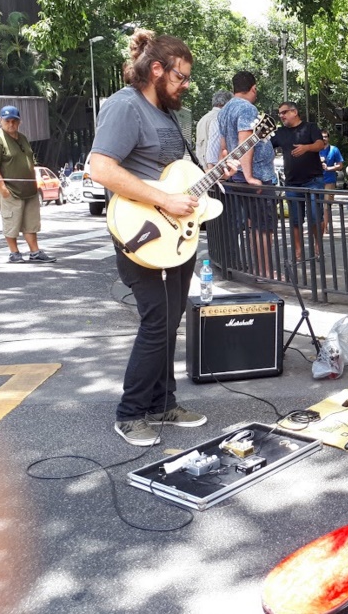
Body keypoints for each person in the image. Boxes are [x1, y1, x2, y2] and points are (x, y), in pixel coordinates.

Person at [89, 30, 209, 446]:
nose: (186, 85)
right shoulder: (125, 106)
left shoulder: (166, 113)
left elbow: (176, 176)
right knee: (157, 322)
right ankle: (130, 413)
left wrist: (207, 178)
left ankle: (163, 403)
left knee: (170, 319)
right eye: (181, 76)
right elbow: (100, 169)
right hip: (142, 234)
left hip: (175, 237)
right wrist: (165, 200)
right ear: (155, 69)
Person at [217, 71, 278, 273]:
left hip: (236, 176)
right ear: (253, 88)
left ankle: (258, 269)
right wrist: (250, 176)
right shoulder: (247, 108)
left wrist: (227, 171)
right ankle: (265, 271)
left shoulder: (224, 110)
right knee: (264, 228)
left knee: (255, 226)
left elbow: (224, 147)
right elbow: (245, 143)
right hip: (256, 177)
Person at [0, 106, 56, 263]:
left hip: (29, 189)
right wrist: (2, 189)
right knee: (11, 221)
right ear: (0, 121)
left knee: (31, 222)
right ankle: (14, 252)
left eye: (14, 121)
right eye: (7, 121)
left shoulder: (22, 137)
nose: (11, 124)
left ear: (19, 122)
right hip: (10, 189)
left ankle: (34, 251)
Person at [270, 102, 325, 260]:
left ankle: (317, 246)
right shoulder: (280, 132)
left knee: (315, 216)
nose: (281, 116)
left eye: (284, 112)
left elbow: (320, 144)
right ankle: (298, 251)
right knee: (295, 219)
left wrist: (306, 148)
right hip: (292, 182)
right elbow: (266, 146)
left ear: (295, 112)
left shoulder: (310, 127)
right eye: (279, 113)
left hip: (313, 179)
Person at [196, 89, 233, 167]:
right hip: (214, 168)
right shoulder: (220, 118)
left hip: (201, 166)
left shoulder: (202, 119)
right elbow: (216, 147)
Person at [320, 128, 344, 235]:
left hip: (329, 181)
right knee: (315, 205)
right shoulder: (315, 150)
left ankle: (325, 228)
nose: (324, 139)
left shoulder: (334, 150)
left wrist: (329, 168)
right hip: (316, 182)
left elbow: (340, 165)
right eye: (322, 137)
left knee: (326, 206)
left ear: (328, 138)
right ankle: (317, 227)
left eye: (325, 136)